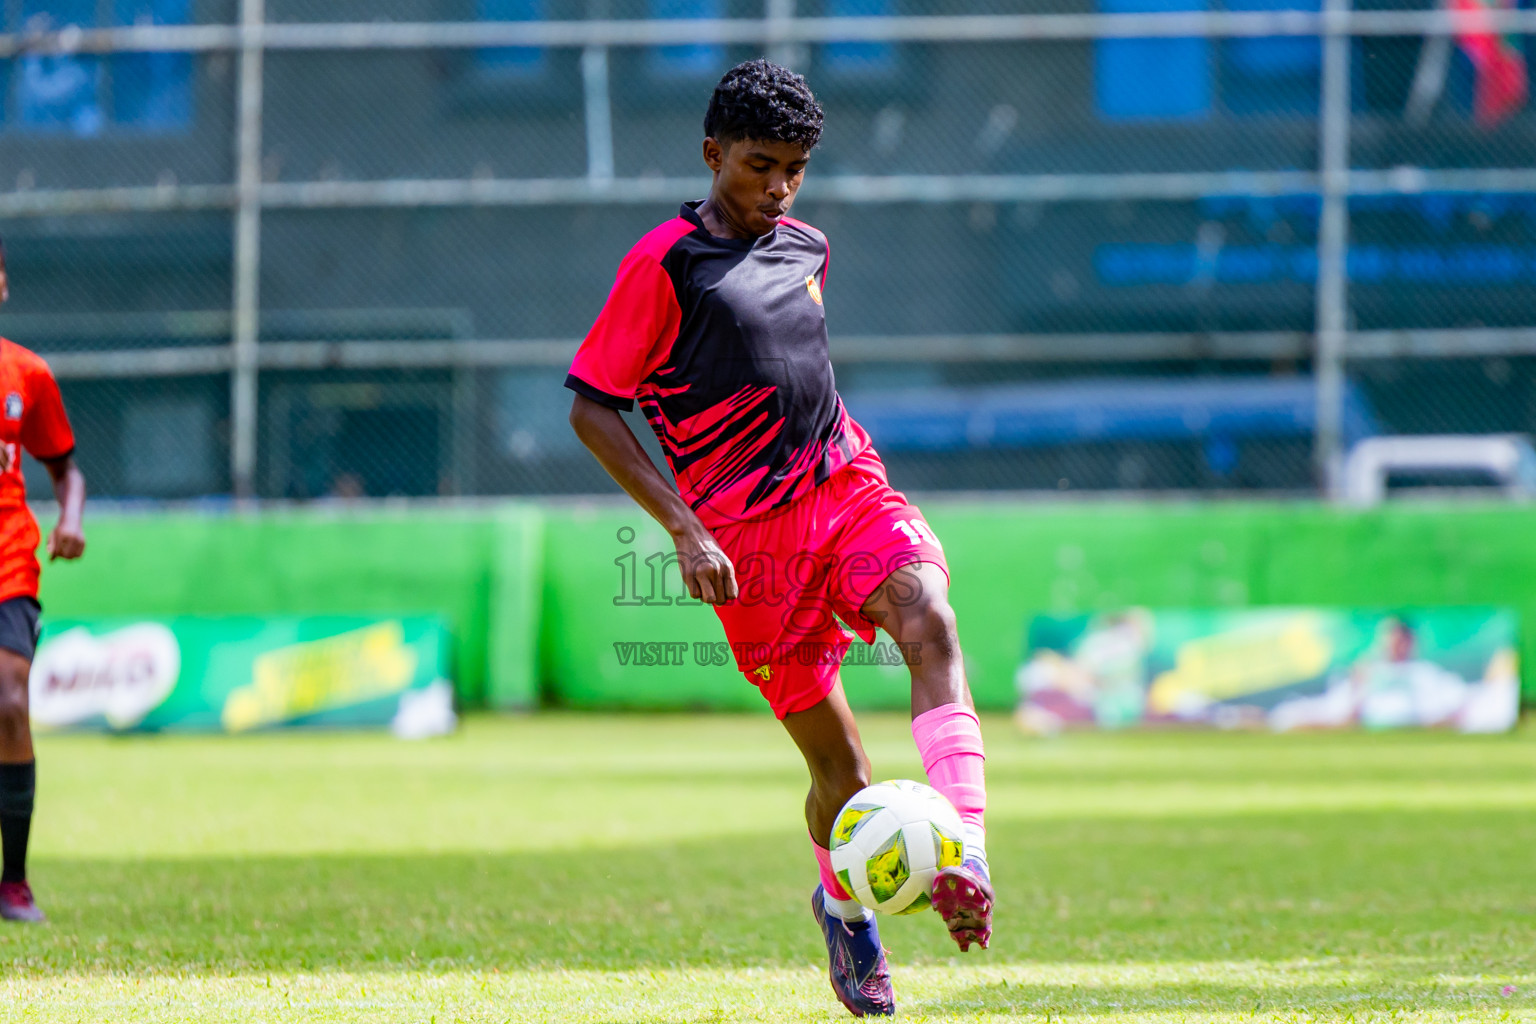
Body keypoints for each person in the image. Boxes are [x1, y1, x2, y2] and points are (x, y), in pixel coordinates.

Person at [566, 59, 991, 1017]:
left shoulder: (808, 246)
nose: (779, 187)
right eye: (760, 165)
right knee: (840, 770)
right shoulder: (663, 266)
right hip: (749, 545)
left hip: (844, 483)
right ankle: (844, 907)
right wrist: (683, 529)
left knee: (928, 616)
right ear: (713, 154)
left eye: (795, 168)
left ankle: (966, 847)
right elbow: (593, 408)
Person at [0, 235, 87, 923]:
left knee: (9, 701)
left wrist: (72, 516)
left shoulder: (26, 374)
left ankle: (15, 881)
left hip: (10, 560)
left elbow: (65, 467)